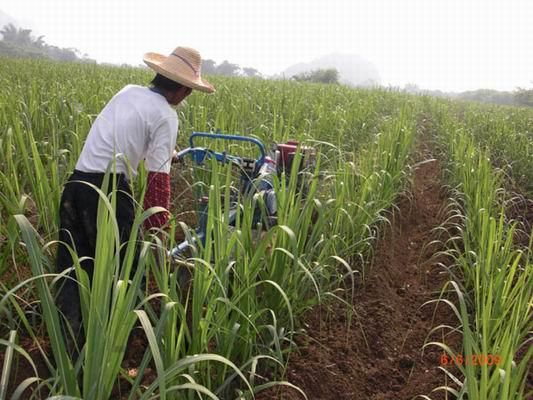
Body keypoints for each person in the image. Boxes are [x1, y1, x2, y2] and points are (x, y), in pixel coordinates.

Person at [55, 46, 215, 350]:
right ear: (182, 89)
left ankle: (67, 345)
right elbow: (158, 184)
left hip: (76, 187)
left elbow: (128, 138)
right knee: (129, 271)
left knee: (76, 269)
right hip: (110, 193)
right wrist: (158, 233)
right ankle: (121, 350)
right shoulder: (166, 115)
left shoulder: (128, 92)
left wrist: (171, 155)